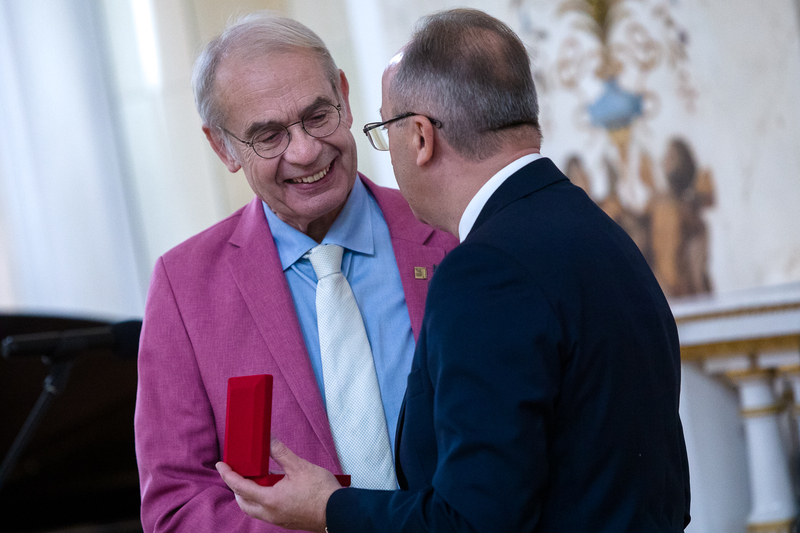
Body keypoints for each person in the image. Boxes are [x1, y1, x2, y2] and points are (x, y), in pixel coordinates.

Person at [217, 8, 691, 533]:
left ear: (421, 137)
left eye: (384, 129)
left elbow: (473, 523)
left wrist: (331, 509)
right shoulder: (596, 230)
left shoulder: (485, 272)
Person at [134, 11, 457, 533]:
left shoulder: (449, 235)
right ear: (224, 147)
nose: (305, 151)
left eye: (317, 116)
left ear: (345, 99)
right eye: (268, 136)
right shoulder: (185, 287)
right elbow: (175, 504)